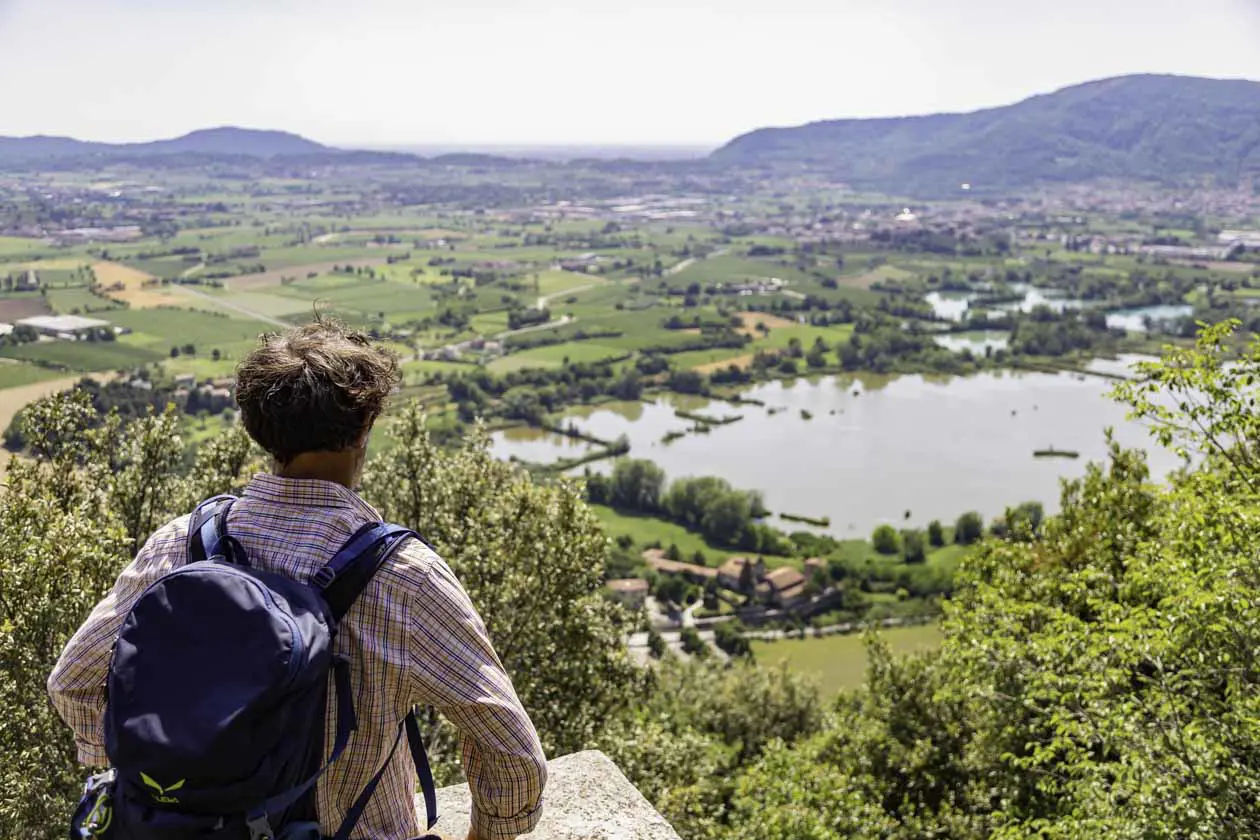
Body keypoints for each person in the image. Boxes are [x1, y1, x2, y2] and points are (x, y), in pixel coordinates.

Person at [48, 318, 547, 840]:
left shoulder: (183, 543)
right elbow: (511, 754)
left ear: (258, 428)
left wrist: (168, 785)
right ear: (364, 428)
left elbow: (73, 683)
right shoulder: (405, 578)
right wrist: (488, 832)